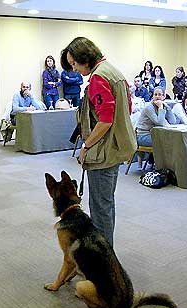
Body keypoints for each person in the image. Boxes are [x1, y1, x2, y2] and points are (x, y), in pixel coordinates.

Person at [61, 37, 136, 247]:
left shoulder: (98, 77)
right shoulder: (114, 72)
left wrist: (86, 146)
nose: (73, 69)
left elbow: (105, 119)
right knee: (106, 204)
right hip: (115, 147)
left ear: (85, 58)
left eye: (74, 63)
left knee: (100, 208)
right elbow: (127, 108)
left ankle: (104, 262)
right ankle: (105, 256)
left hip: (103, 151)